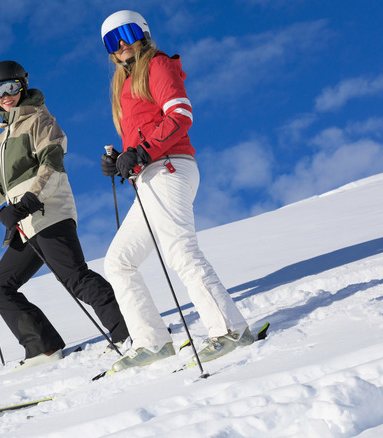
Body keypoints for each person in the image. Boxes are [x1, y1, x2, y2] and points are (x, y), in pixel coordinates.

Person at [0, 60, 129, 370]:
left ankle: (129, 330)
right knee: (0, 287)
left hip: (49, 212)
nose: (6, 95)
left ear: (23, 86)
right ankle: (43, 347)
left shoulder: (39, 121)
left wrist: (29, 201)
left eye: (12, 87)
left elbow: (52, 165)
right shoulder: (0, 142)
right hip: (25, 224)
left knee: (75, 277)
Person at [98, 11, 253, 372]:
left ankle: (230, 328)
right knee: (118, 262)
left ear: (143, 34)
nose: (120, 45)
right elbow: (140, 137)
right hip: (149, 175)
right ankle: (152, 341)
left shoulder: (158, 65)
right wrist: (121, 159)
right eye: (111, 41)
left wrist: (143, 152)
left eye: (126, 34)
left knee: (180, 250)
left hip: (169, 168)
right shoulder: (123, 85)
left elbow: (180, 114)